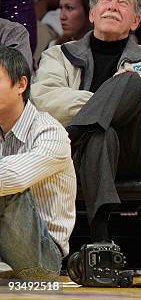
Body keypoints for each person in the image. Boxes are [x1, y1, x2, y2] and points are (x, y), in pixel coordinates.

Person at [31, 0, 141, 243]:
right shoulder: (59, 55)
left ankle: (74, 135)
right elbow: (43, 99)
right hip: (84, 153)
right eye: (106, 0)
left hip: (135, 152)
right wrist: (108, 99)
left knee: (130, 81)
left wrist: (138, 95)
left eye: (123, 3)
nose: (112, 6)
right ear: (92, 14)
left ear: (135, 21)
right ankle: (100, 237)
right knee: (101, 135)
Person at [0, 46, 77, 280]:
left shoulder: (50, 131)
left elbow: (14, 177)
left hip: (43, 256)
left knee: (8, 185)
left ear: (21, 85)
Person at [35, 0, 103, 63]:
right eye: (61, 8)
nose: (62, 16)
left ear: (91, 11)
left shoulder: (109, 51)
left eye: (69, 8)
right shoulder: (54, 48)